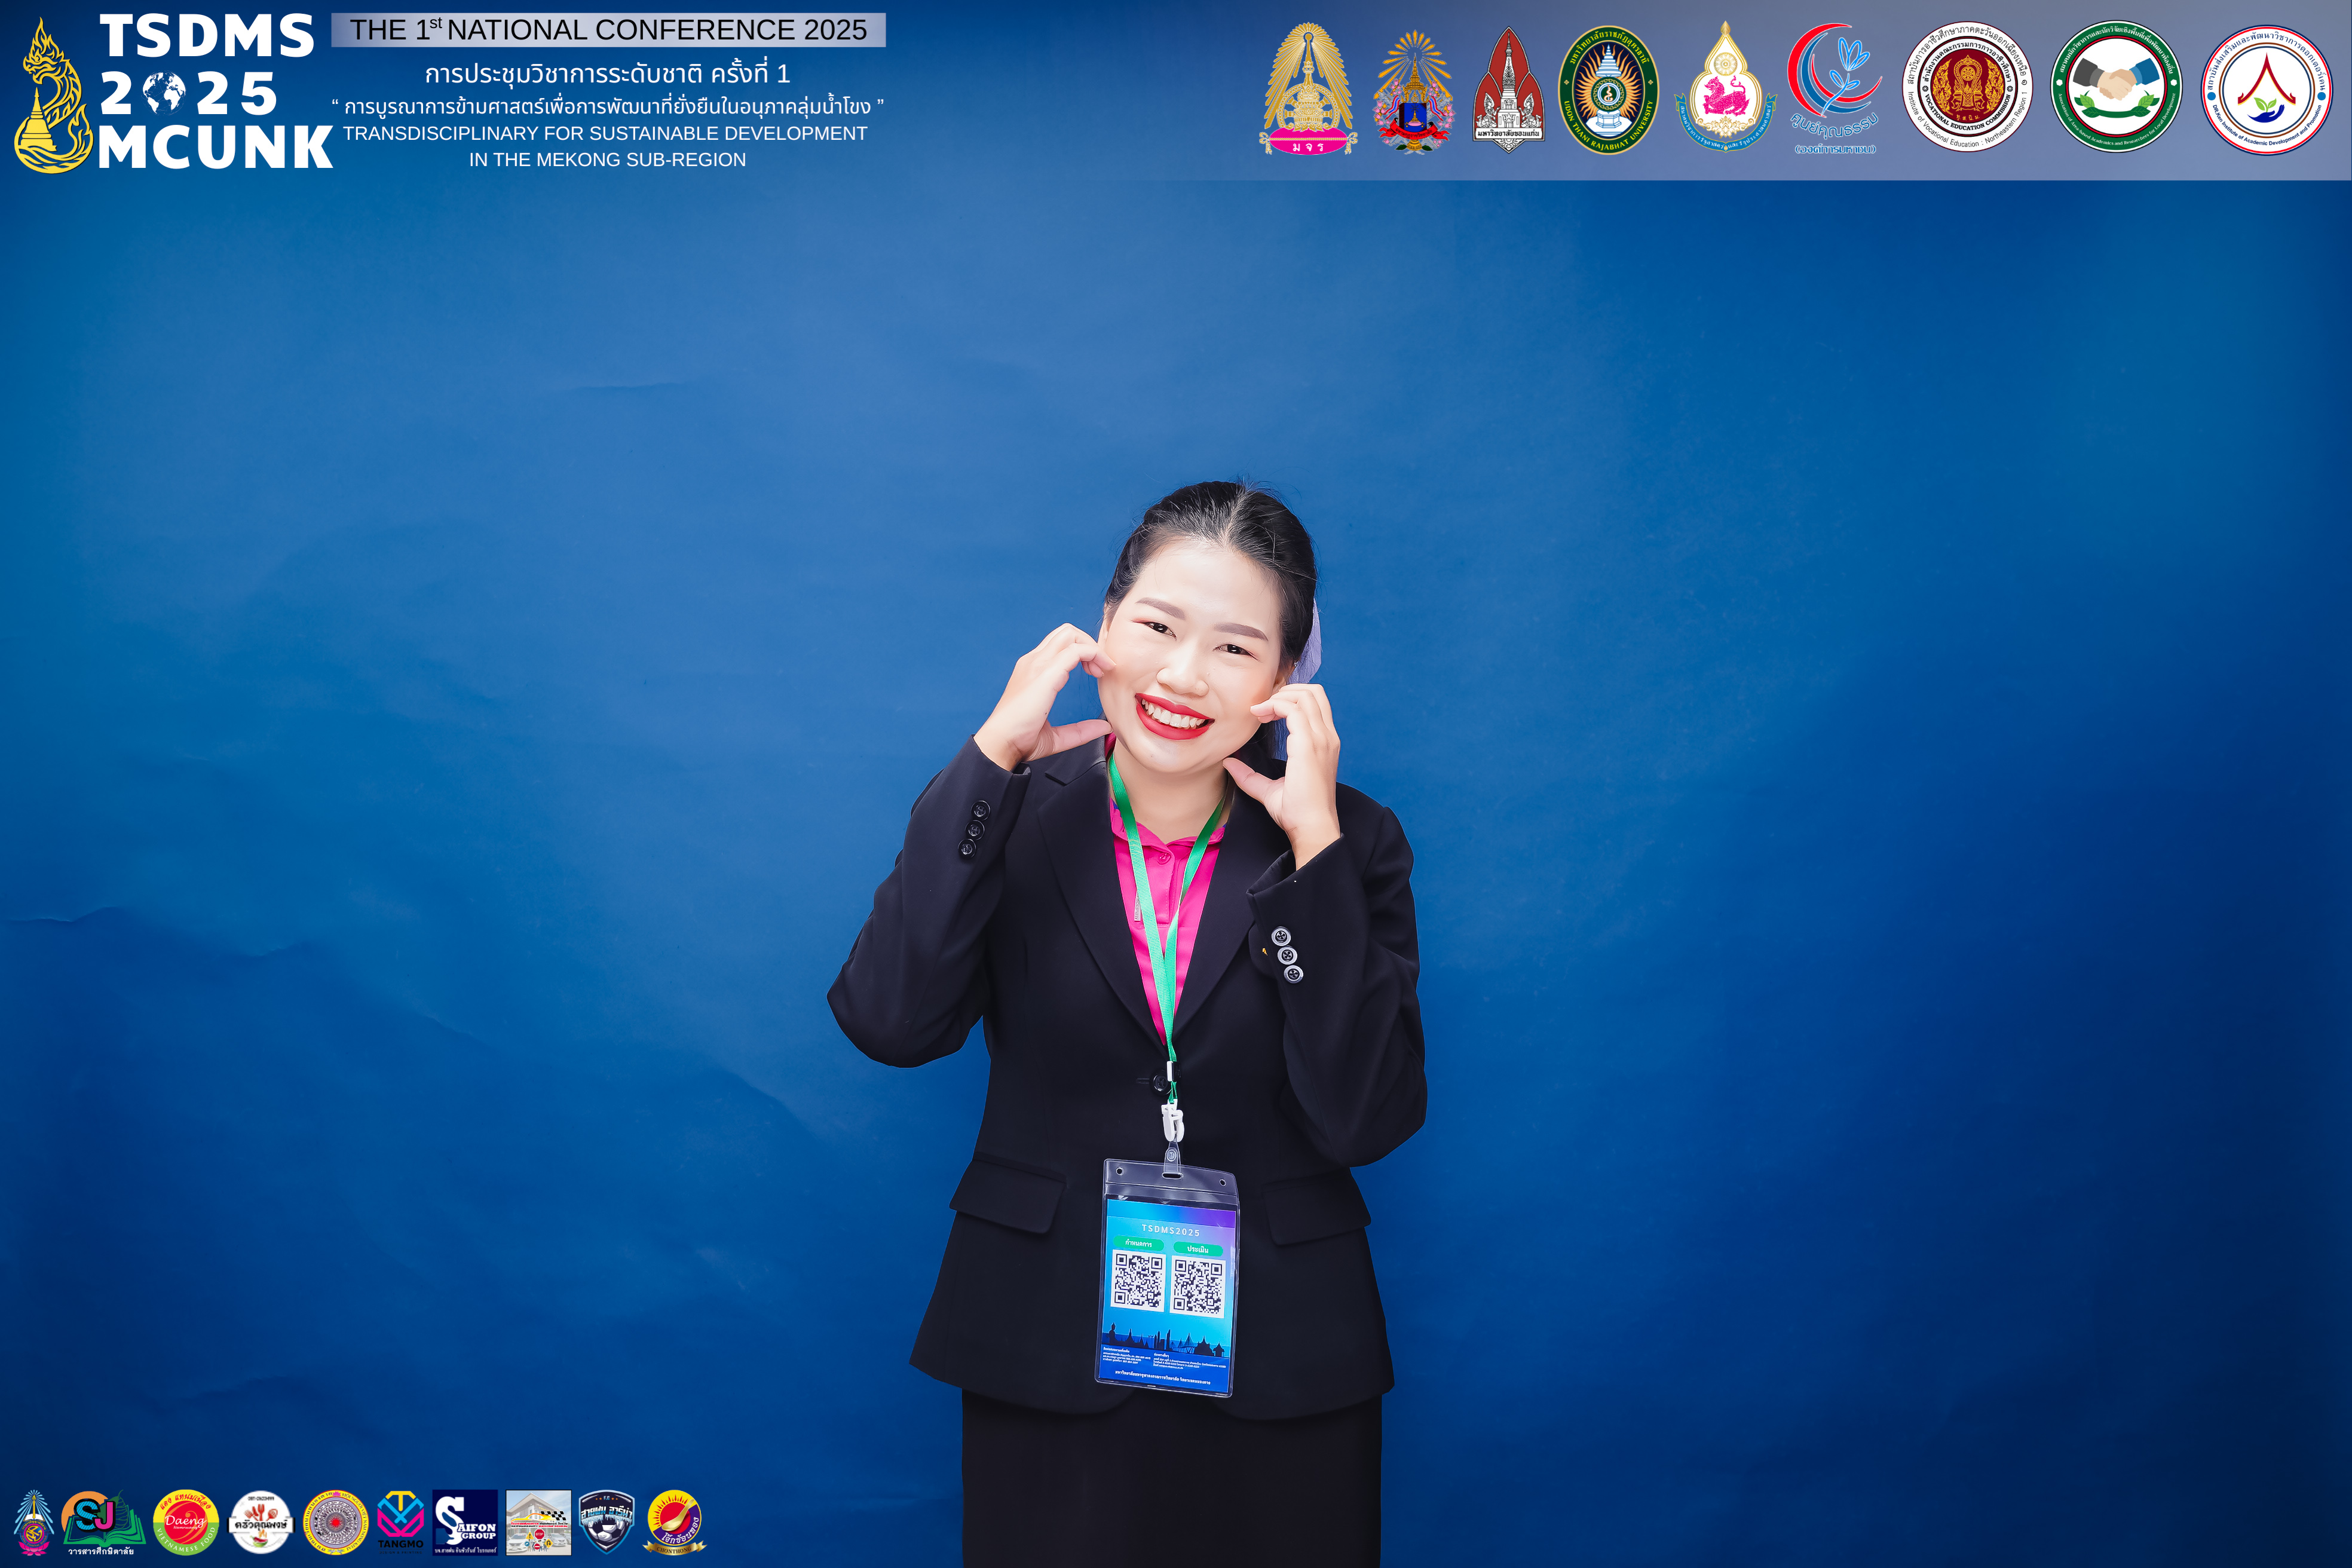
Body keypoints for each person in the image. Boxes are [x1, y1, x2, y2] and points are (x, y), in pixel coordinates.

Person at [830, 482, 1426, 1567]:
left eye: (1235, 648)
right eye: (1157, 626)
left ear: (1287, 682)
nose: (1184, 676)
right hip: (1042, 1335)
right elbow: (890, 1022)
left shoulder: (1349, 841)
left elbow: (1364, 1118)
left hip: (1288, 1353)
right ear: (1104, 625)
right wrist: (990, 760)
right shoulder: (1002, 811)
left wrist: (1314, 857)